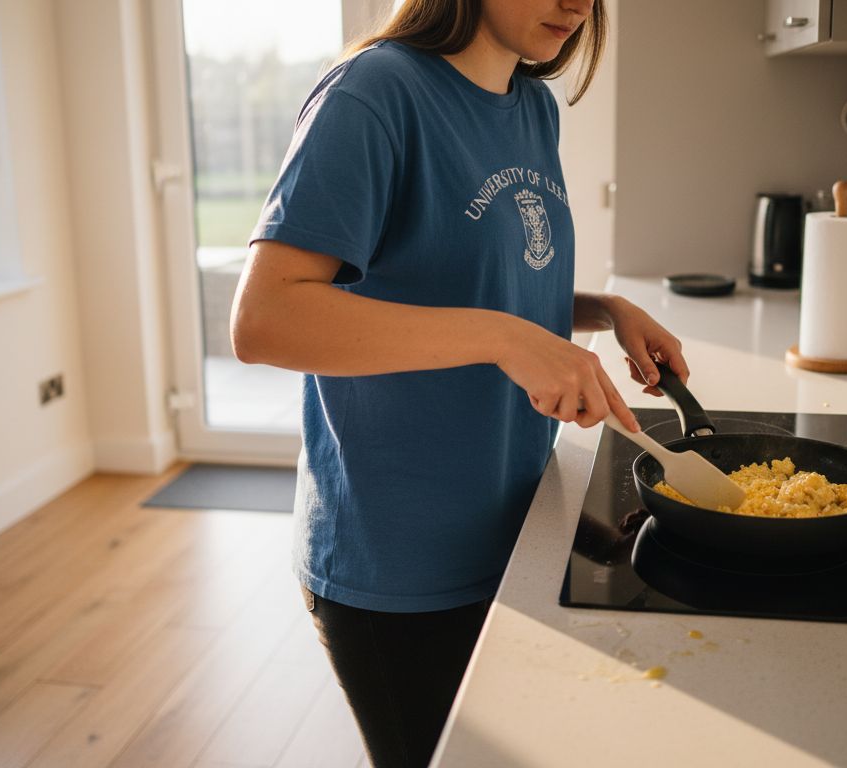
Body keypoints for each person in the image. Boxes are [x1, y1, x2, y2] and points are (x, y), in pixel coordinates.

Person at [230, 0, 688, 764]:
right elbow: (265, 320)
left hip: (512, 529)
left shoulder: (532, 107)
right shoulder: (372, 95)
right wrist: (505, 338)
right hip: (398, 564)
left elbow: (474, 274)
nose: (578, 3)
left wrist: (604, 309)